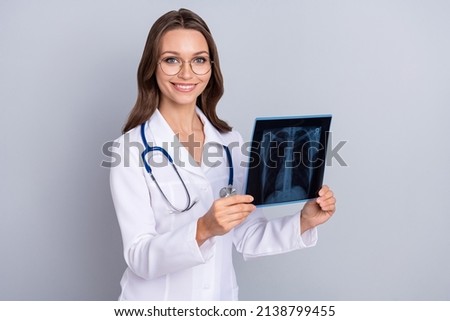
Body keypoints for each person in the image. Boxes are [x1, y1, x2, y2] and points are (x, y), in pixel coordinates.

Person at [110, 8, 336, 301]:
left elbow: (246, 235)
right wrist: (203, 228)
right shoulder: (129, 150)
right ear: (152, 67)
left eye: (199, 60)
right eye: (171, 60)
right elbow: (139, 256)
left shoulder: (231, 143)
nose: (186, 73)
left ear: (211, 67)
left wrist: (304, 221)